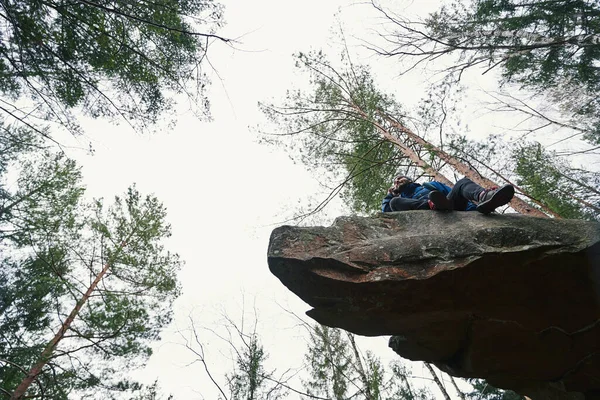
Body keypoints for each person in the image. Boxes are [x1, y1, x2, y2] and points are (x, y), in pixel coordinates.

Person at [381, 175, 515, 214]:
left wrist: (473, 211)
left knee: (462, 182)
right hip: (427, 212)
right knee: (394, 203)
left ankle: (484, 197)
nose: (398, 181)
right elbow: (386, 211)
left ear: (409, 179)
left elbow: (455, 193)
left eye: (401, 178)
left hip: (448, 205)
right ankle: (432, 205)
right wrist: (390, 195)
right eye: (396, 181)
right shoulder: (401, 198)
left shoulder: (429, 185)